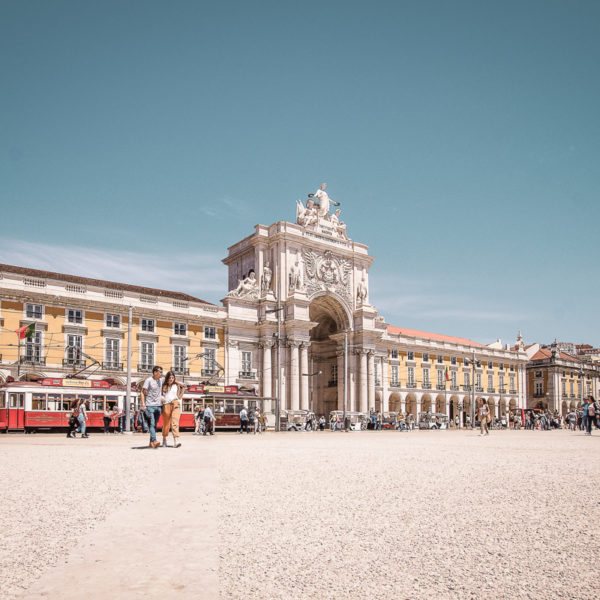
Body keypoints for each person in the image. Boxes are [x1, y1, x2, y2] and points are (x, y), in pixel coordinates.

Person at [141, 366, 164, 449]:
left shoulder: (161, 380)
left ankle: (151, 443)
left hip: (158, 406)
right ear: (155, 372)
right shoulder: (148, 380)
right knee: (152, 423)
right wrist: (143, 404)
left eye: (161, 372)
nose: (161, 373)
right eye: (160, 372)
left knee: (154, 426)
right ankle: (154, 440)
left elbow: (170, 378)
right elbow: (142, 392)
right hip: (150, 405)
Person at [161, 371, 184, 448]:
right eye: (170, 378)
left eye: (172, 378)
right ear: (167, 378)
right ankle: (164, 439)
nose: (171, 379)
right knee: (166, 424)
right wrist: (162, 398)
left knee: (175, 423)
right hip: (166, 405)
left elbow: (180, 397)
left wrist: (183, 388)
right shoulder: (163, 386)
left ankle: (176, 441)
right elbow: (160, 395)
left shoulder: (176, 386)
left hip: (175, 403)